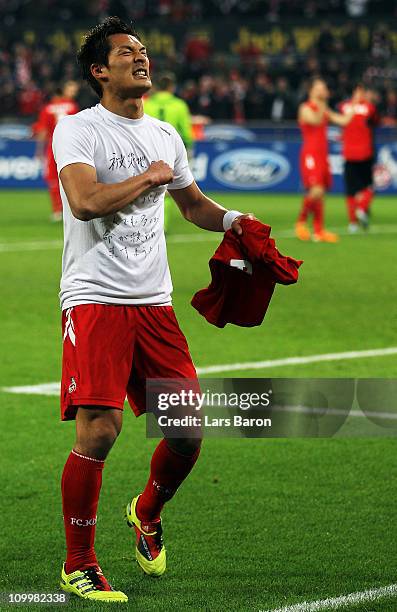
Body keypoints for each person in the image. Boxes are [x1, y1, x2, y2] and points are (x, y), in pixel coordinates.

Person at [52, 17, 252, 603]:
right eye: (125, 53)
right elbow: (85, 202)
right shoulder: (78, 130)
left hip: (153, 303)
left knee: (187, 433)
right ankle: (78, 563)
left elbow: (191, 205)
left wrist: (235, 221)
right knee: (101, 430)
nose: (141, 59)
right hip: (94, 299)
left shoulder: (165, 134)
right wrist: (147, 179)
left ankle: (145, 509)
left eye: (142, 51)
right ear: (99, 70)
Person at [295, 77, 353, 242]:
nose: (323, 90)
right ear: (312, 91)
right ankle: (301, 222)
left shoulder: (323, 109)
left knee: (321, 194)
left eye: (324, 88)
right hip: (310, 154)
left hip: (322, 155)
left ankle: (319, 231)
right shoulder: (305, 108)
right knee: (316, 190)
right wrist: (322, 104)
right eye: (320, 88)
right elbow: (315, 120)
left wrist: (355, 104)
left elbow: (344, 120)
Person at [144, 72, 193, 231]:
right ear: (171, 87)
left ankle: (146, 222)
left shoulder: (147, 103)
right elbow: (185, 130)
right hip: (171, 150)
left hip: (148, 149)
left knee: (148, 186)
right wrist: (189, 146)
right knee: (169, 188)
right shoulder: (179, 105)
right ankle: (161, 225)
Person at [34, 81, 79, 221]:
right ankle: (72, 209)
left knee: (53, 179)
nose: (73, 92)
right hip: (71, 146)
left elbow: (41, 132)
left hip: (53, 146)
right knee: (72, 179)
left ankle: (57, 211)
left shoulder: (47, 109)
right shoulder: (72, 106)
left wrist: (39, 150)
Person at [339, 83, 379, 232]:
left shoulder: (343, 107)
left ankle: (353, 223)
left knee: (350, 191)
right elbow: (376, 121)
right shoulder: (369, 107)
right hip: (365, 153)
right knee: (369, 187)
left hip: (348, 154)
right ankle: (362, 209)